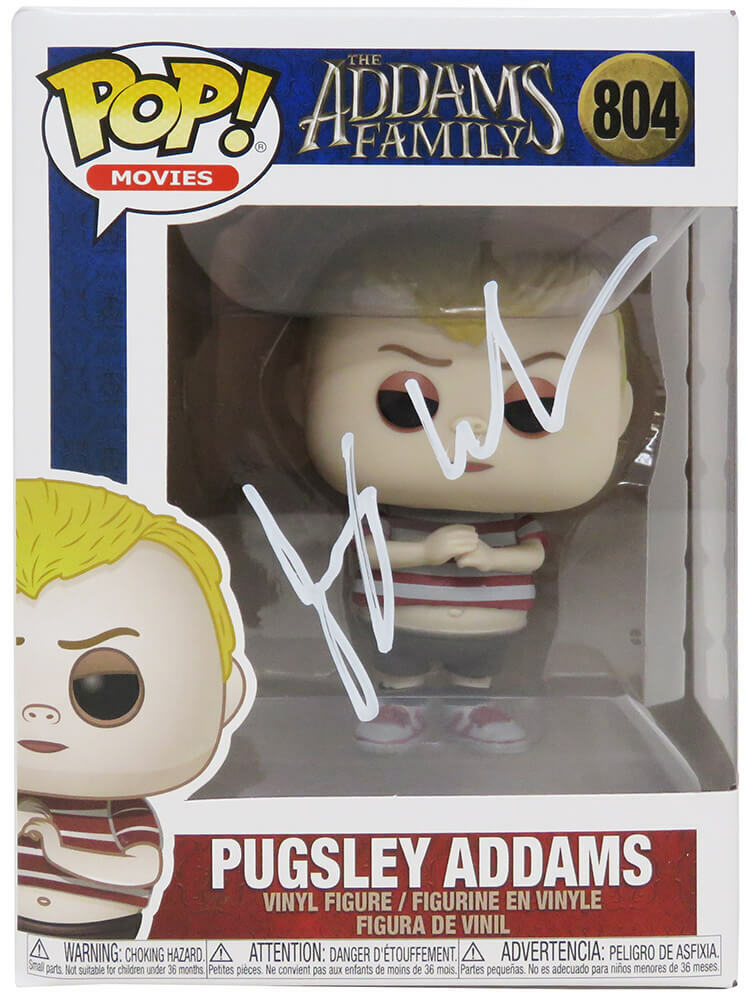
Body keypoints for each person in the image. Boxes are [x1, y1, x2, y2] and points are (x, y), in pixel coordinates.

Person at [305, 247, 633, 750]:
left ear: (621, 412)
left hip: (492, 631)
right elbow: (366, 552)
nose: (469, 432)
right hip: (397, 625)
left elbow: (535, 555)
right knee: (398, 665)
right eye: (407, 402)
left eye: (530, 407)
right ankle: (400, 703)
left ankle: (472, 705)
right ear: (302, 396)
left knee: (477, 671)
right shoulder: (386, 510)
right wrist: (423, 551)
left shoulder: (514, 517)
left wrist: (492, 558)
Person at [16, 478, 251, 938]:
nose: (38, 713)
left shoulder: (122, 813)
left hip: (105, 930)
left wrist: (59, 851)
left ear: (229, 696)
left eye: (106, 689)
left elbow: (142, 868)